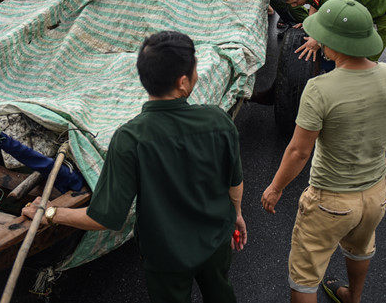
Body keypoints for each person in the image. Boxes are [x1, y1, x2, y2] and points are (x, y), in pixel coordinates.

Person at [22, 31, 247, 303]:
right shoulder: (218, 121)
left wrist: (50, 213)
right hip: (215, 240)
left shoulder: (129, 138)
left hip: (166, 255)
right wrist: (236, 214)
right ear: (183, 82)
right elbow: (234, 183)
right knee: (220, 292)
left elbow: (103, 218)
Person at [261, 0, 386, 303]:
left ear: (334, 42)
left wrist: (276, 187)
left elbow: (298, 152)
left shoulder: (320, 88)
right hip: (374, 197)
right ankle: (352, 297)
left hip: (329, 200)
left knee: (305, 278)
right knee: (360, 249)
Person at [272, 0, 386, 62]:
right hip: (357, 11)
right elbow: (315, 4)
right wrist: (310, 25)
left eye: (295, 2)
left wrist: (317, 40)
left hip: (382, 15)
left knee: (364, 62)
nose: (294, 6)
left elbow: (340, 21)